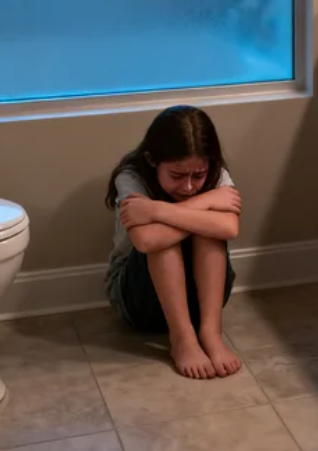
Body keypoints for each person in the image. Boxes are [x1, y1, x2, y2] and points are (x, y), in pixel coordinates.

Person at [104, 105, 243, 380]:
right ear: (152, 160)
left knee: (207, 231)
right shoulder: (131, 177)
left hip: (203, 302)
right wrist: (206, 205)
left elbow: (229, 228)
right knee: (167, 239)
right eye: (177, 176)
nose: (189, 186)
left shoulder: (215, 172)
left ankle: (210, 333)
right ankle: (182, 338)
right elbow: (146, 241)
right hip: (139, 300)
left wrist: (156, 210)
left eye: (198, 176)